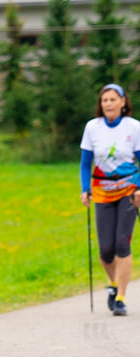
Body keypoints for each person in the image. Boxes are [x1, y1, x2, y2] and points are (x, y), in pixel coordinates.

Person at [80, 83, 140, 316]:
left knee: (121, 245)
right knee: (106, 250)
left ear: (123, 102)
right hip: (102, 191)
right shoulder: (92, 128)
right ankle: (113, 283)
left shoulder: (134, 127)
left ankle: (121, 298)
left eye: (113, 99)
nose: (109, 104)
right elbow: (86, 163)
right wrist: (85, 189)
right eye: (105, 100)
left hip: (128, 190)